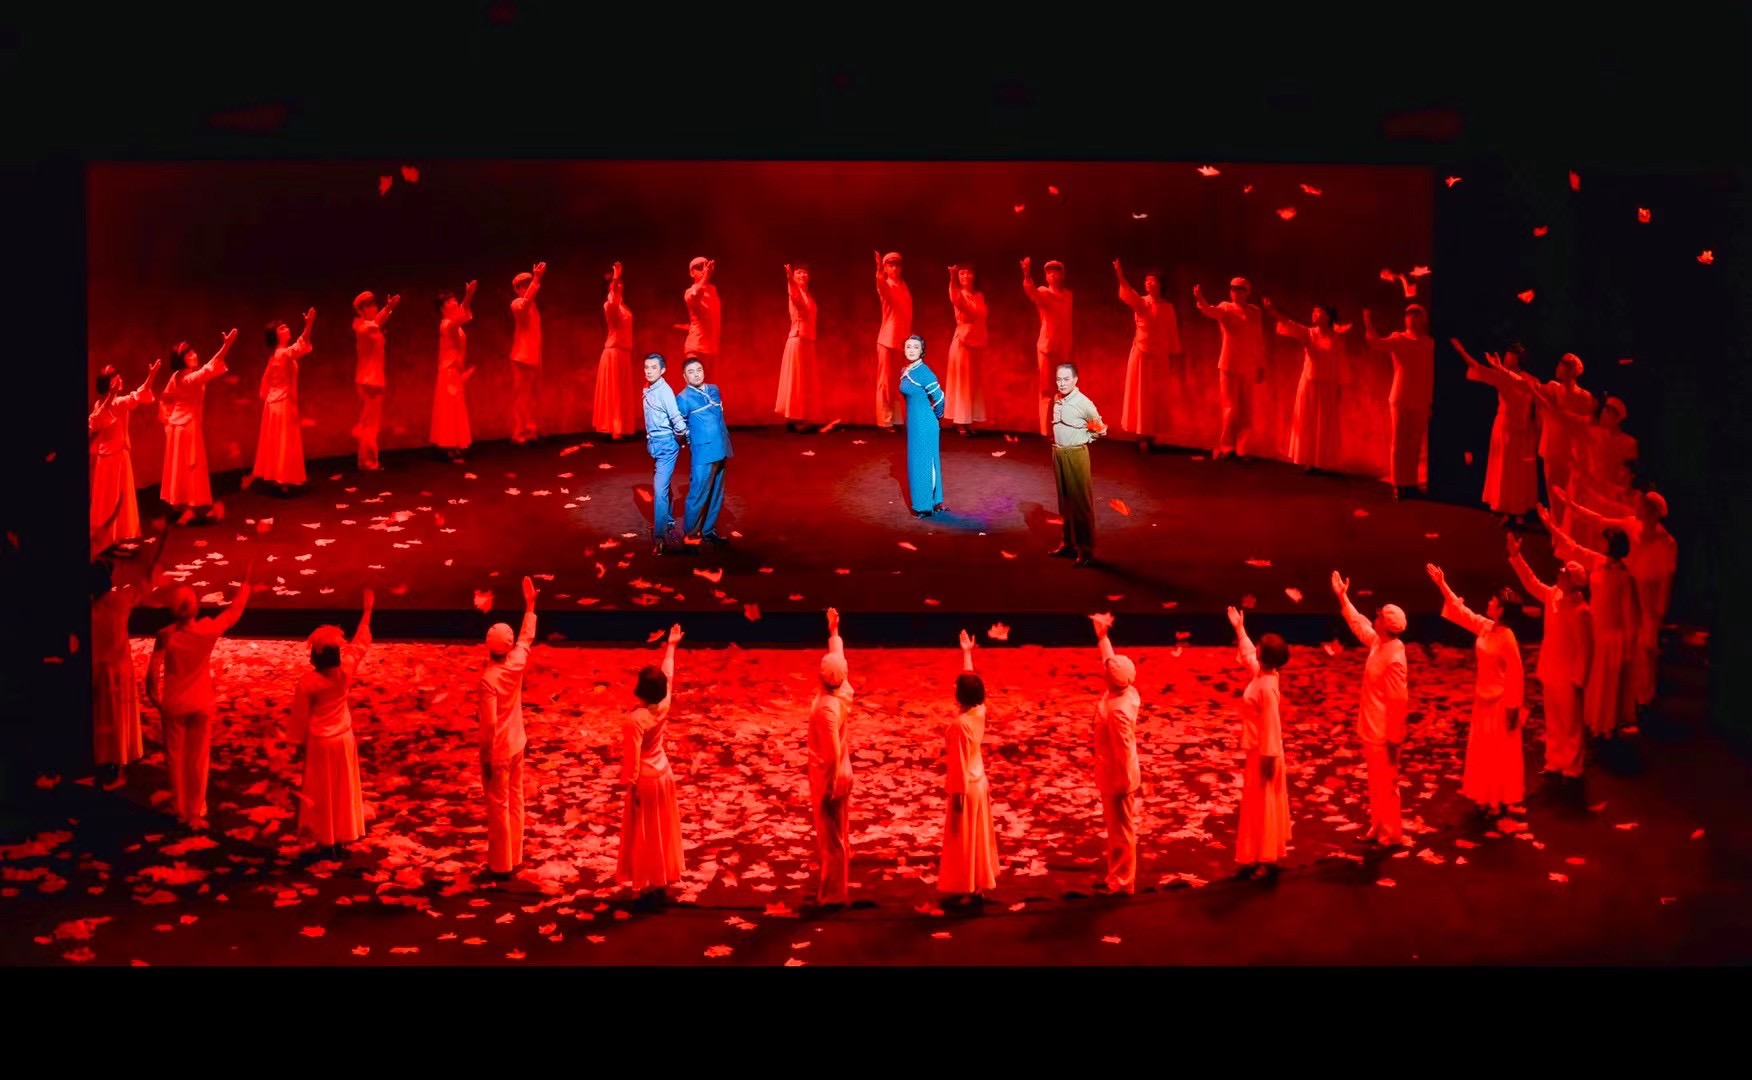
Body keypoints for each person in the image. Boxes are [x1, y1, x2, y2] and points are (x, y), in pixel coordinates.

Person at [145, 567, 253, 829]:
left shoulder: (166, 635)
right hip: (201, 702)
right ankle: (195, 807)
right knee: (198, 757)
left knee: (175, 757)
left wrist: (154, 696)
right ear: (194, 608)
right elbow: (232, 614)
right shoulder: (207, 630)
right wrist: (245, 584)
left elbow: (153, 670)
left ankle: (180, 808)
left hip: (175, 703)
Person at [1554, 486, 1676, 714]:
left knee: (1645, 650)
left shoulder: (1666, 542)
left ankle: (1645, 702)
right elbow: (1600, 520)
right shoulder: (1631, 525)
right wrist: (1572, 506)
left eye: (1643, 506)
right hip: (1626, 586)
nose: (1638, 508)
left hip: (1648, 596)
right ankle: (1628, 700)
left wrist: (1659, 608)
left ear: (1653, 511)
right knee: (1628, 648)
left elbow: (1666, 577)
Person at [1428, 565, 1526, 821]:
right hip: (1483, 700)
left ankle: (1497, 799)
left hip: (1500, 704)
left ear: (1501, 609)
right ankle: (1485, 797)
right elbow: (1463, 614)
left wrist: (1513, 707)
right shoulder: (1486, 627)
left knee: (1496, 753)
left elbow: (1516, 674)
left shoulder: (1507, 638)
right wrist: (1442, 584)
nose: (1489, 602)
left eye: (1493, 600)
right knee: (1483, 751)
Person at [284, 589, 374, 862]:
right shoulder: (346, 670)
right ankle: (340, 836)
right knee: (341, 788)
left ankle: (326, 839)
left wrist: (294, 745)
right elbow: (360, 643)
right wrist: (367, 611)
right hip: (343, 738)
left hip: (321, 742)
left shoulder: (308, 683)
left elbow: (299, 717)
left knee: (322, 791)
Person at [1540, 507, 1641, 748]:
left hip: (1612, 635)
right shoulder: (1598, 562)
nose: (1600, 544)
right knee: (1594, 682)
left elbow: (1629, 613)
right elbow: (1573, 547)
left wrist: (1628, 646)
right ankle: (1594, 725)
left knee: (1608, 685)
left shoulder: (1625, 577)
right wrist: (1550, 525)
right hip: (1594, 628)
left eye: (1605, 541)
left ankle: (1606, 728)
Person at [89, 518, 171, 789]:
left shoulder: (84, 610)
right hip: (118, 670)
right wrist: (162, 545)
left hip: (94, 671)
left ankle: (103, 762)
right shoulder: (119, 602)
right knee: (117, 716)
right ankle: (117, 761)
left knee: (100, 717)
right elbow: (146, 583)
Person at [1332, 570, 1410, 847]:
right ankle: (1378, 827)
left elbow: (1398, 702)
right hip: (1372, 727)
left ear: (1387, 625)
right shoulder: (1379, 643)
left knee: (1387, 784)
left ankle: (1390, 834)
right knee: (1376, 783)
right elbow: (1359, 624)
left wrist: (1394, 739)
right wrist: (1343, 597)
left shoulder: (1394, 656)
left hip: (1384, 733)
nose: (1374, 619)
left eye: (1378, 617)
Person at [1507, 533, 1593, 781]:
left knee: (1570, 721)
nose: (1559, 575)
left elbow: (1586, 647)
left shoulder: (1580, 611)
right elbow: (1531, 582)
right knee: (1554, 718)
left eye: (1563, 574)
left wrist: (1579, 677)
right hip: (1551, 667)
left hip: (1568, 674)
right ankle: (1555, 760)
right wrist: (1516, 556)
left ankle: (1572, 766)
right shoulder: (1554, 595)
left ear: (1573, 581)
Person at [618, 623, 687, 907]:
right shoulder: (664, 704)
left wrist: (629, 784)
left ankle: (648, 883)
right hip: (663, 772)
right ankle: (660, 880)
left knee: (645, 832)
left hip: (646, 777)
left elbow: (632, 757)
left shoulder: (635, 720)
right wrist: (671, 647)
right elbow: (668, 675)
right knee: (661, 827)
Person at [478, 576, 539, 884]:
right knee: (516, 799)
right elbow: (526, 638)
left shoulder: (489, 679)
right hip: (517, 741)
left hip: (500, 748)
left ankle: (501, 865)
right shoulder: (516, 662)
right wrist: (530, 605)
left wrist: (485, 756)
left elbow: (489, 723)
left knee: (499, 805)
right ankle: (515, 855)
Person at [1227, 605, 1290, 881]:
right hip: (1258, 750)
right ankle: (1256, 855)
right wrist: (1240, 629)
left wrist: (1269, 757)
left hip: (1265, 753)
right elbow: (1249, 657)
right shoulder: (1264, 675)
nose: (1256, 650)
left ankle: (1266, 858)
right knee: (1257, 804)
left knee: (1264, 805)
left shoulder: (1266, 686)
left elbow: (1272, 726)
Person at [939, 630, 998, 910]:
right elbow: (971, 684)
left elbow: (959, 765)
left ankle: (970, 887)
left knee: (964, 839)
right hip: (978, 781)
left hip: (966, 787)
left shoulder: (960, 726)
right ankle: (975, 886)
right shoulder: (978, 712)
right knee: (976, 837)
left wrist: (957, 796)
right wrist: (967, 653)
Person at [1451, 339, 1538, 525]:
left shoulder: (1529, 379)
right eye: (1507, 354)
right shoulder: (1500, 376)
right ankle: (1505, 509)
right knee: (1504, 469)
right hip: (1505, 427)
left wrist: (1500, 368)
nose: (1506, 357)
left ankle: (1519, 510)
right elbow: (1478, 368)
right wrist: (1462, 351)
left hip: (1523, 429)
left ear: (1518, 359)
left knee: (1519, 471)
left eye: (1511, 355)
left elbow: (1525, 385)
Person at [160, 330, 237, 523]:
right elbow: (210, 368)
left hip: (178, 426)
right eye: (189, 355)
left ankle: (180, 505)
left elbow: (166, 398)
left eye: (193, 352)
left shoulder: (176, 377)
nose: (194, 355)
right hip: (186, 427)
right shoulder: (187, 378)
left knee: (180, 466)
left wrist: (169, 419)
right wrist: (226, 346)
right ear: (181, 360)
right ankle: (189, 508)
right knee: (190, 465)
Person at [1089, 613, 1141, 894]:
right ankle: (1117, 876)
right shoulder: (1124, 692)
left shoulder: (1119, 709)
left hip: (1118, 777)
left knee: (1121, 831)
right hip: (1112, 773)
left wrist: (1123, 785)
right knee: (1117, 830)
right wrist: (1103, 638)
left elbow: (1123, 748)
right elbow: (1110, 663)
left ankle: (1123, 881)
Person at [1265, 298, 1348, 474]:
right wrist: (1273, 311)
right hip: (1309, 383)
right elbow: (1289, 324)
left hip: (1327, 385)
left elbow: (1340, 363)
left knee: (1323, 422)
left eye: (1318, 311)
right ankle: (1307, 459)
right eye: (1313, 311)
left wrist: (1339, 386)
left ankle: (1321, 461)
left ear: (1327, 316)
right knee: (1308, 420)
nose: (1314, 314)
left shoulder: (1336, 339)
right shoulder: (1309, 333)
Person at [806, 608, 855, 909]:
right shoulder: (842, 691)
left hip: (830, 776)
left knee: (832, 839)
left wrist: (831, 785)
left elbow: (833, 751)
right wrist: (834, 631)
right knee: (836, 835)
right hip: (836, 773)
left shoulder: (827, 708)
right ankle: (834, 890)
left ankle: (833, 895)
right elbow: (840, 660)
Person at [1362, 304, 1435, 498]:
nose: (1412, 318)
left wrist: (1428, 401)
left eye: (1417, 315)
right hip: (1401, 397)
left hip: (1420, 398)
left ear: (1424, 319)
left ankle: (1410, 483)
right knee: (1399, 442)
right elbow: (1375, 343)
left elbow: (1429, 374)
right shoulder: (1398, 339)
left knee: (1415, 444)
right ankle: (1399, 484)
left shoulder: (1429, 344)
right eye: (1409, 315)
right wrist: (1368, 322)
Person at [90, 359, 161, 556]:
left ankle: (118, 538)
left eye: (118, 374)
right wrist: (112, 394)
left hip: (121, 455)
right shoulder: (101, 405)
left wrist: (151, 376)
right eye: (114, 376)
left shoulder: (120, 402)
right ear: (108, 382)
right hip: (108, 458)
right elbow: (96, 421)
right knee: (109, 499)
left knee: (122, 498)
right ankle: (107, 540)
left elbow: (139, 395)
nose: (119, 378)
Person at [1193, 277, 1266, 460]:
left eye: (1240, 289)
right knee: (1230, 408)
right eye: (1233, 289)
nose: (1235, 292)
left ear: (1247, 292)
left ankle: (1243, 448)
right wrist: (1200, 299)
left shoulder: (1255, 312)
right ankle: (1227, 447)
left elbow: (1258, 340)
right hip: (1229, 364)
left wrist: (1260, 364)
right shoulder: (1226, 307)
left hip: (1248, 365)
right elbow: (1210, 311)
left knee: (1247, 410)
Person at [1114, 260, 1182, 452]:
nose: (1149, 283)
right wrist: (1120, 275)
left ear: (1161, 285)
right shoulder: (1143, 303)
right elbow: (1129, 293)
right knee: (1141, 395)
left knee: (1156, 396)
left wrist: (1174, 354)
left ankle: (1152, 434)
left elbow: (1172, 332)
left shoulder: (1167, 307)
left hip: (1159, 356)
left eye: (1153, 280)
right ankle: (1142, 435)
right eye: (1147, 280)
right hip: (1142, 354)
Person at [252, 308, 317, 493]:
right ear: (276, 336)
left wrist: (269, 397)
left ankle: (284, 477)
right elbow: (300, 346)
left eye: (285, 326)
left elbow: (265, 381)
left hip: (278, 402)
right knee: (283, 440)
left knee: (282, 440)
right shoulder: (281, 354)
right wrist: (309, 324)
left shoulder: (277, 355)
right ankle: (282, 479)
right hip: (281, 402)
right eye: (281, 328)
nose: (286, 328)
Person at [1048, 363, 1107, 567]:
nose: (1062, 383)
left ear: (1075, 380)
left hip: (1076, 455)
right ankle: (1068, 544)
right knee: (1065, 502)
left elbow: (1101, 429)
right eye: (1059, 379)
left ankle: (1086, 550)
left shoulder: (1083, 403)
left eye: (1066, 379)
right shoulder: (1057, 399)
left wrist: (1086, 438)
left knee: (1080, 504)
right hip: (1058, 454)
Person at [678, 357, 732, 543]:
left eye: (699, 370)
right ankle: (691, 533)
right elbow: (679, 425)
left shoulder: (714, 389)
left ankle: (709, 530)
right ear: (685, 377)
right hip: (703, 452)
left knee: (716, 493)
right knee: (698, 492)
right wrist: (692, 440)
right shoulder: (683, 398)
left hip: (721, 447)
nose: (696, 374)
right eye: (691, 372)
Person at [641, 353, 688, 554]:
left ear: (663, 370)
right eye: (646, 367)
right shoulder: (648, 387)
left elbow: (677, 420)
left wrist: (679, 438)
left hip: (667, 445)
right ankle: (668, 520)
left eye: (654, 367)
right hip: (655, 444)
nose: (649, 371)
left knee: (659, 490)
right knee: (663, 486)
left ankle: (659, 538)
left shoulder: (665, 391)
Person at [1022, 257, 1074, 437]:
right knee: (1046, 389)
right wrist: (1027, 275)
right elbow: (1032, 293)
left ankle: (1062, 426)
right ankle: (1046, 430)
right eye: (1049, 272)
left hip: (1063, 348)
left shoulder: (1068, 296)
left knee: (1064, 390)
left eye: (1056, 272)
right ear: (1046, 277)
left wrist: (1069, 346)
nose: (1053, 275)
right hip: (1047, 347)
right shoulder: (1044, 293)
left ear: (1062, 275)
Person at [351, 291, 401, 471]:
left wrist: (387, 309)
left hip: (374, 379)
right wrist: (387, 309)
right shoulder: (361, 326)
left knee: (371, 423)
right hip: (369, 380)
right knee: (369, 423)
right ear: (362, 310)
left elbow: (378, 322)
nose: (374, 308)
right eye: (370, 306)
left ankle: (368, 460)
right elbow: (375, 324)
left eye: (374, 305)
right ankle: (368, 461)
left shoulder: (369, 325)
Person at [898, 334, 947, 518]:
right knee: (916, 462)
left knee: (924, 463)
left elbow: (940, 398)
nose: (911, 350)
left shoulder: (924, 372)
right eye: (908, 347)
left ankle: (926, 505)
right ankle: (928, 502)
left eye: (915, 347)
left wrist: (937, 416)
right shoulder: (908, 370)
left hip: (925, 424)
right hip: (914, 424)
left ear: (922, 351)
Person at [431, 282, 478, 463]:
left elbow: (462, 317)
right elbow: (460, 317)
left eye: (454, 300)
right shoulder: (446, 325)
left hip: (455, 371)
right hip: (448, 372)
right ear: (443, 308)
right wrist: (468, 295)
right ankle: (450, 446)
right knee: (450, 409)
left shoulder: (456, 326)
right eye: (450, 301)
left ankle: (455, 445)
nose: (454, 302)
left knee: (456, 409)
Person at [594, 262, 639, 440]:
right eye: (616, 285)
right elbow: (612, 301)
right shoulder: (610, 305)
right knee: (614, 391)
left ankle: (623, 427)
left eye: (620, 284)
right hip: (614, 351)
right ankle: (614, 428)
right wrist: (615, 277)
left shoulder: (624, 307)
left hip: (623, 352)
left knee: (622, 390)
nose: (619, 286)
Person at [944, 263, 989, 436]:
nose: (966, 276)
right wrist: (951, 278)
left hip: (976, 341)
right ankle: (960, 421)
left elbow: (981, 316)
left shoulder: (979, 295)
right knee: (962, 383)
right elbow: (955, 298)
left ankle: (969, 420)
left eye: (969, 273)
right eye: (962, 273)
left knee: (973, 382)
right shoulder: (959, 294)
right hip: (962, 342)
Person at [775, 263, 820, 432]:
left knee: (805, 380)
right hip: (798, 338)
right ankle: (796, 417)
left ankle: (801, 417)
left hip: (808, 340)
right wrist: (789, 278)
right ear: (794, 277)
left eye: (804, 272)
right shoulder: (795, 292)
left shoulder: (808, 295)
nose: (802, 275)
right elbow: (793, 294)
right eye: (798, 273)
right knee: (798, 379)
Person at [508, 261, 547, 445]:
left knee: (531, 395)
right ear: (517, 289)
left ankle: (531, 429)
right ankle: (519, 432)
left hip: (531, 356)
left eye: (528, 284)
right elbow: (524, 304)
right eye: (523, 285)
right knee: (521, 395)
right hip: (521, 357)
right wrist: (536, 280)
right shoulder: (517, 304)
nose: (527, 288)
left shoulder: (533, 307)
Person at [873, 251, 912, 431]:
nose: (894, 268)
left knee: (897, 381)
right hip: (887, 339)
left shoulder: (903, 286)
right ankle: (885, 419)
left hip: (901, 339)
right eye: (890, 265)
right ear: (885, 269)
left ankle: (896, 418)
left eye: (897, 265)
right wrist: (879, 272)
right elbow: (881, 286)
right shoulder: (886, 285)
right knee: (885, 381)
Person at [675, 256, 721, 372]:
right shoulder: (690, 292)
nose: (704, 270)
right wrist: (705, 278)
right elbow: (696, 295)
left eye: (706, 266)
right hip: (696, 349)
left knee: (709, 384)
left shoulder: (712, 290)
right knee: (696, 382)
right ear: (692, 272)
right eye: (700, 267)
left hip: (711, 350)